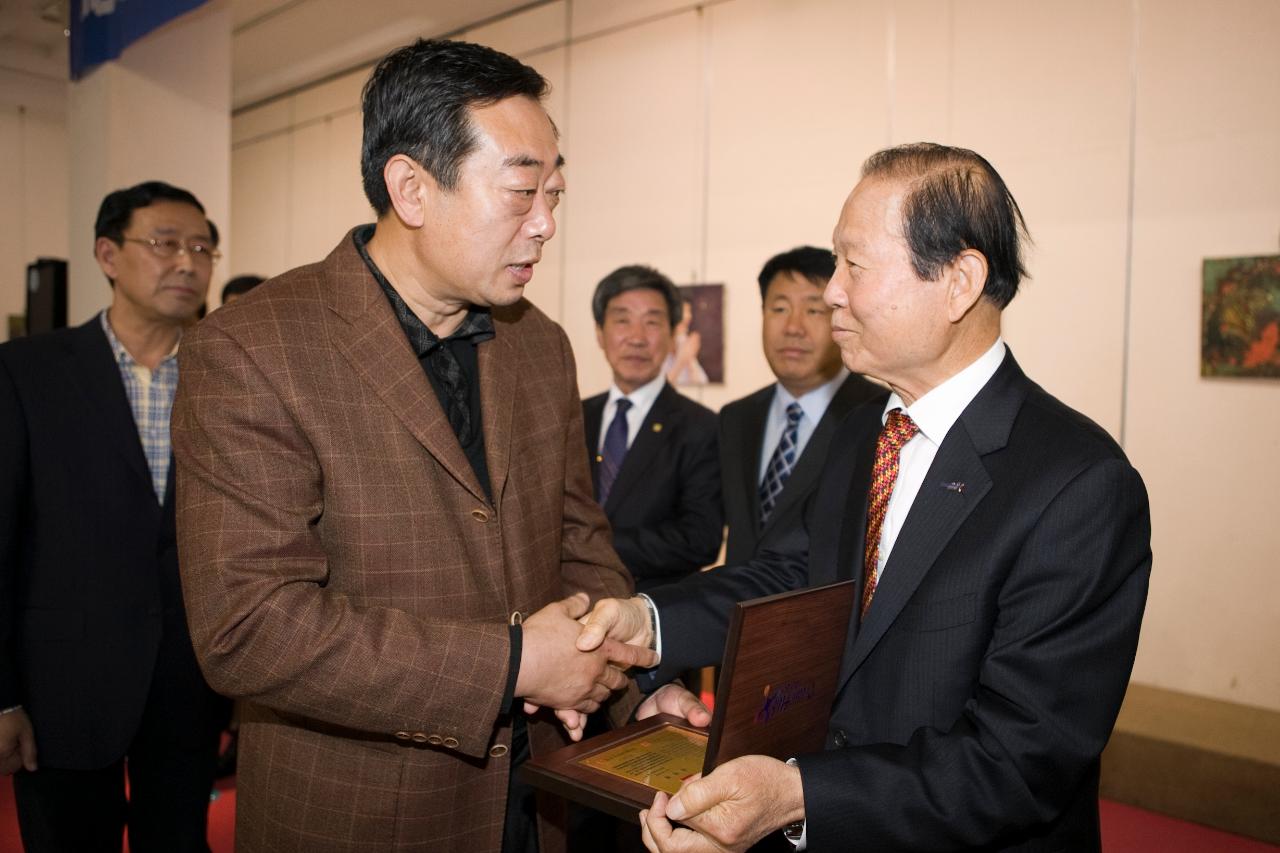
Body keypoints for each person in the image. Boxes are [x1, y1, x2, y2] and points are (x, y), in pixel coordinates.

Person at [579, 142, 1153, 852]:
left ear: (959, 281)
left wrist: (796, 794)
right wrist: (651, 620)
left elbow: (1019, 761)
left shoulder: (1078, 483)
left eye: (854, 264)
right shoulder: (862, 434)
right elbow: (791, 574)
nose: (832, 293)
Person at [171, 38, 653, 853]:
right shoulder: (255, 349)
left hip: (535, 803)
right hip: (358, 813)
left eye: (555, 193)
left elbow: (577, 540)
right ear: (412, 188)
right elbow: (248, 627)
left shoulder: (540, 345)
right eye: (522, 192)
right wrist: (509, 663)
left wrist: (630, 682)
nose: (546, 224)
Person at [0, 180, 230, 851]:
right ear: (107, 254)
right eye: (165, 243)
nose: (188, 262)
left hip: (192, 687)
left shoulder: (231, 374)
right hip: (63, 689)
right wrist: (3, 695)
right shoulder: (28, 372)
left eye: (202, 247)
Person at [720, 247, 881, 567]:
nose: (793, 327)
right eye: (779, 309)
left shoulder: (878, 415)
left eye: (813, 311)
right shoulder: (735, 418)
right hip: (735, 611)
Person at [583, 265, 723, 593]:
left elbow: (700, 538)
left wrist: (589, 545)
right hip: (567, 604)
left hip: (653, 608)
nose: (636, 337)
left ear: (674, 334)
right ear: (600, 334)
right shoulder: (574, 416)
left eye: (652, 322)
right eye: (622, 320)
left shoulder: (701, 426)